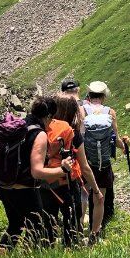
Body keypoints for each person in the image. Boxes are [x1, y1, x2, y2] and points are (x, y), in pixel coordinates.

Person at [0, 94, 69, 253]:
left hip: (4, 186)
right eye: (52, 118)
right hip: (23, 189)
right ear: (48, 115)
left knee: (15, 225)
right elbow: (37, 172)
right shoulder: (40, 134)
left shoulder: (20, 124)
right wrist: (62, 169)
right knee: (39, 226)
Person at [45, 93, 103, 245]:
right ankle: (70, 247)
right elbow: (85, 167)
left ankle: (46, 247)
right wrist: (96, 191)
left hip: (46, 181)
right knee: (71, 222)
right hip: (69, 183)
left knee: (48, 221)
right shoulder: (74, 134)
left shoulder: (44, 129)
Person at [79, 81, 130, 228]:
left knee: (84, 194)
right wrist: (124, 145)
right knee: (99, 198)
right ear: (103, 97)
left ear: (89, 95)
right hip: (104, 163)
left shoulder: (82, 111)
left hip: (86, 162)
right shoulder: (110, 112)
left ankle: (79, 227)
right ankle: (95, 232)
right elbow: (116, 139)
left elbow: (80, 136)